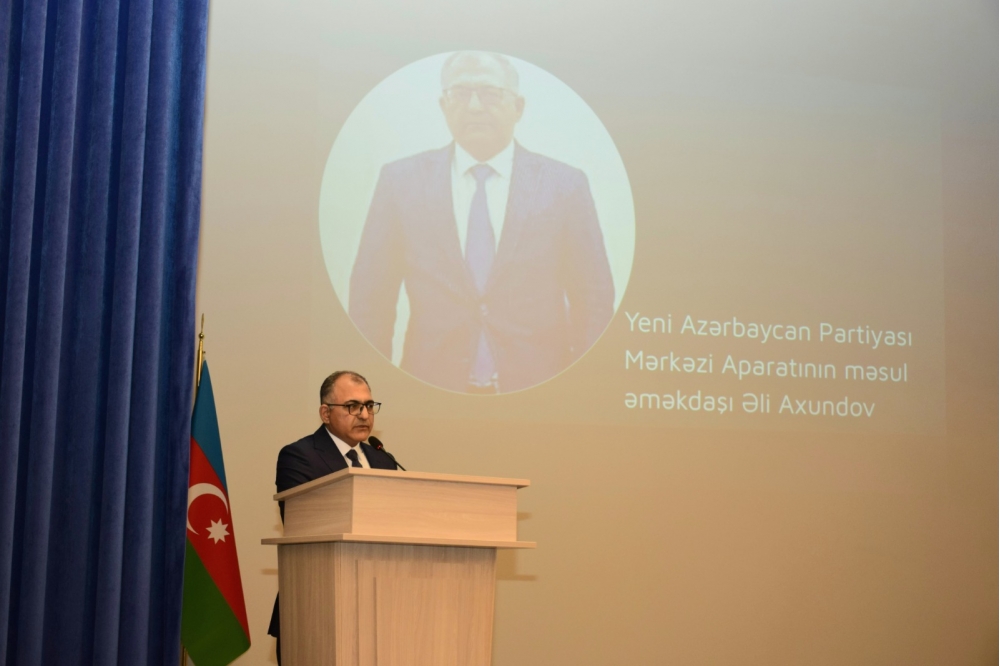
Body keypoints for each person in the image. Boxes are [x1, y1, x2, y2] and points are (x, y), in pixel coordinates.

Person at [349, 51, 614, 394]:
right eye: (461, 93)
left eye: (490, 93)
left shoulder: (565, 185)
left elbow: (593, 297)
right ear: (443, 105)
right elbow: (370, 300)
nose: (474, 106)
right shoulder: (400, 182)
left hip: (539, 395)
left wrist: (581, 389)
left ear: (518, 107)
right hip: (428, 392)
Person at [267, 370, 398, 663]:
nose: (364, 414)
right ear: (325, 413)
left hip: (380, 606)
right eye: (352, 406)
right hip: (316, 604)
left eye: (369, 405)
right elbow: (302, 521)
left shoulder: (383, 460)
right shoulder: (299, 456)